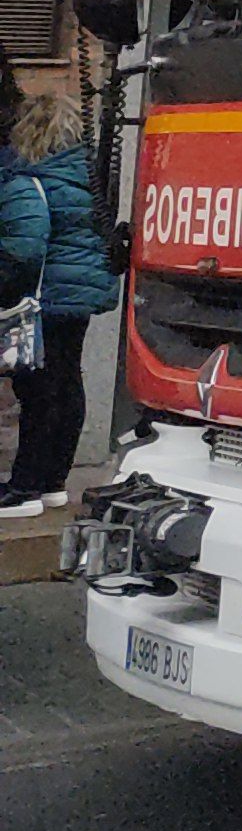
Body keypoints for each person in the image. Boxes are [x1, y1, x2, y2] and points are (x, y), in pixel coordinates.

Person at [0, 90, 118, 518]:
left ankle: (24, 489)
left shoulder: (29, 177)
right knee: (67, 382)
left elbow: (25, 245)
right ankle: (52, 482)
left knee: (37, 390)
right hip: (80, 294)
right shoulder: (85, 174)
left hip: (46, 295)